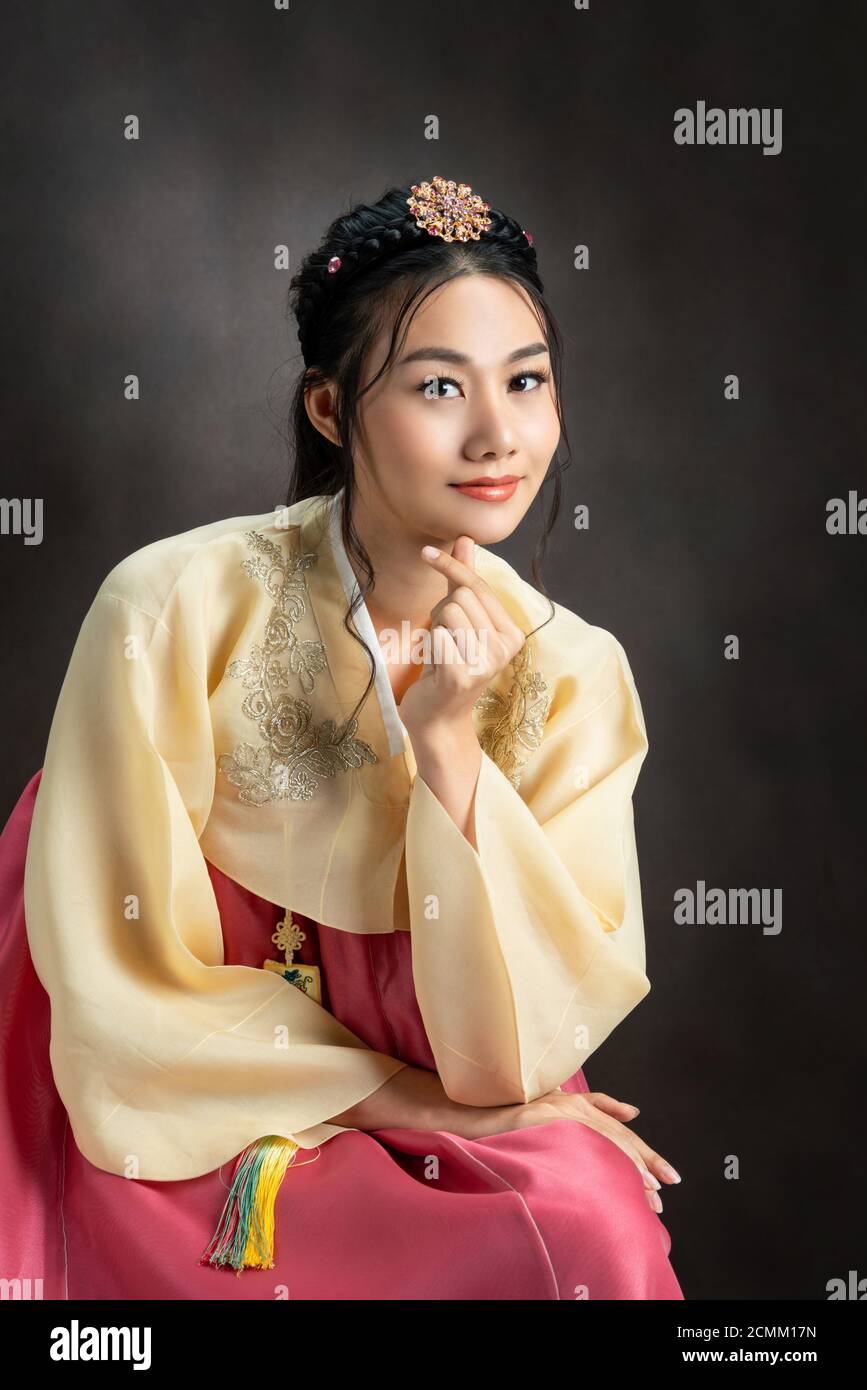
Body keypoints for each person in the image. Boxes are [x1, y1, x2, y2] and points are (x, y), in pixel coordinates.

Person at [0, 176, 684, 1299]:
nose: (495, 434)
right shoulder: (175, 608)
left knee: (594, 1226)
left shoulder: (575, 674)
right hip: (192, 1117)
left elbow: (506, 1070)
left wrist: (451, 748)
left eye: (527, 381)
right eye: (436, 386)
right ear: (331, 409)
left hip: (454, 1117)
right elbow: (121, 996)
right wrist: (395, 1099)